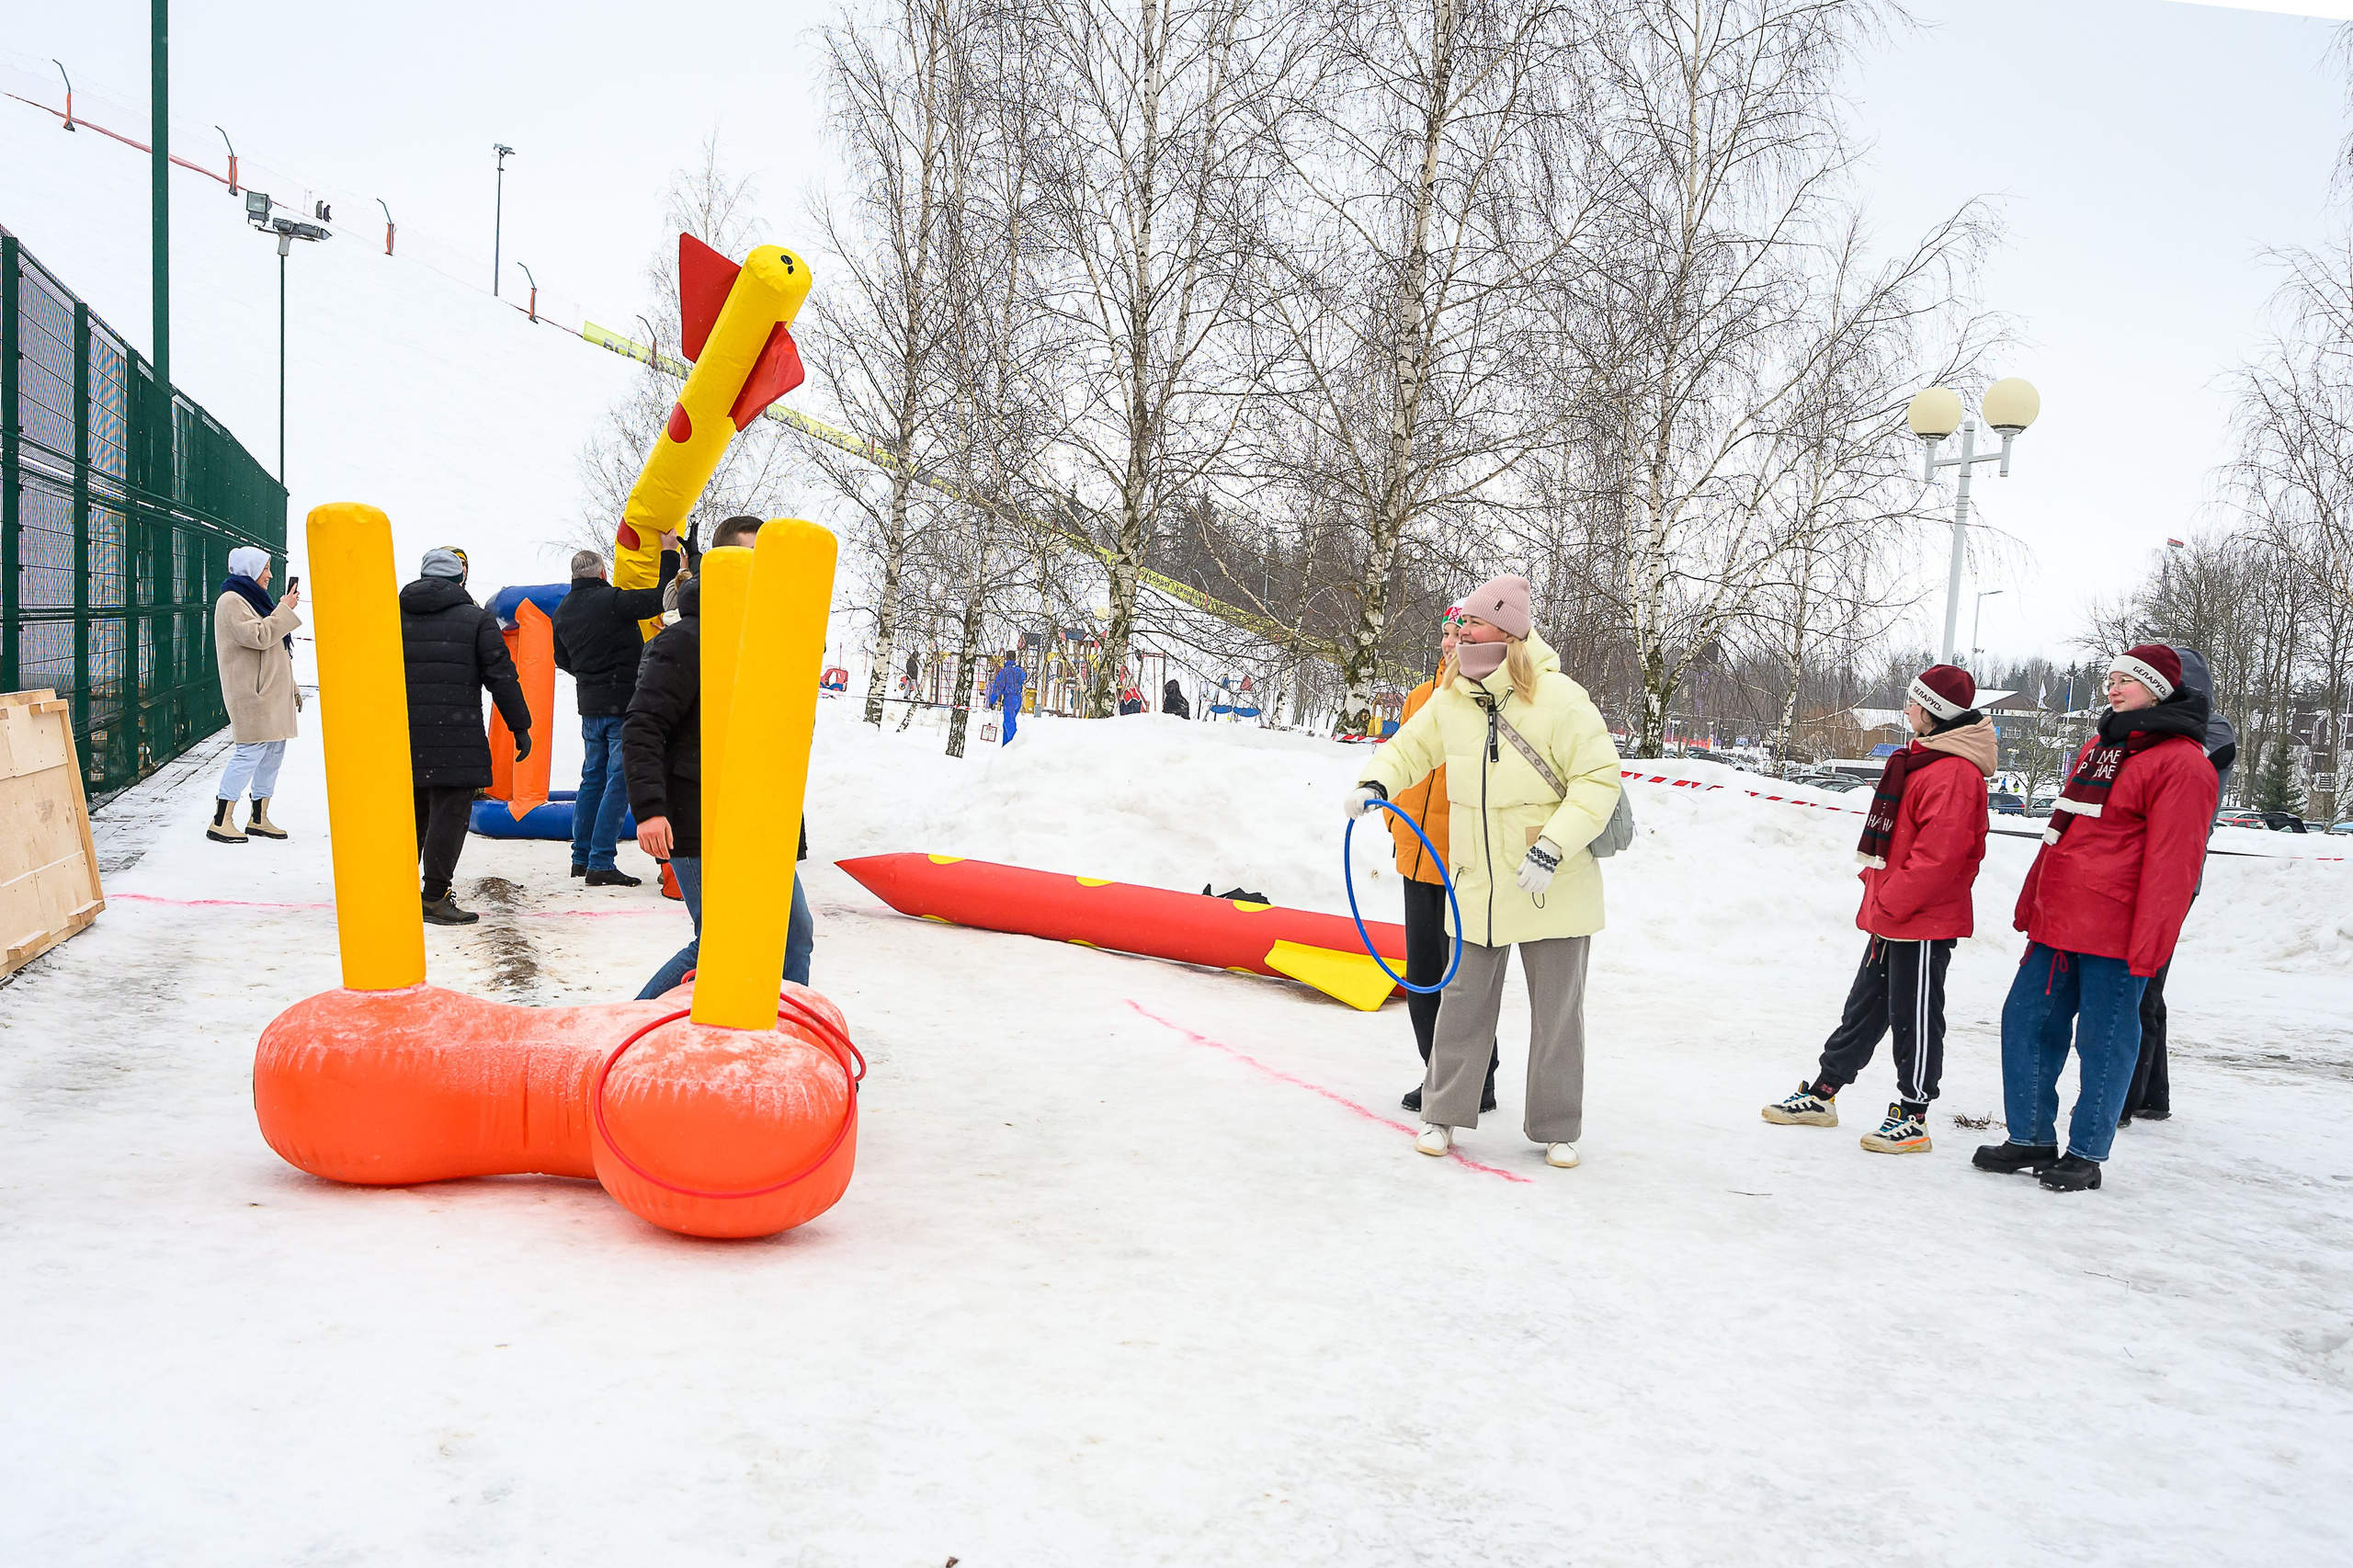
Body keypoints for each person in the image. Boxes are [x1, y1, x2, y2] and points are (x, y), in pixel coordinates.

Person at [1347, 574, 1621, 1170]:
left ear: (1508, 629)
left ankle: (1557, 1126)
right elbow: (1409, 748)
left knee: (1557, 1011)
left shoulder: (1562, 699)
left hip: (1552, 876)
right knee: (1464, 1001)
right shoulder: (1454, 698)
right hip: (1477, 880)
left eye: (1471, 621)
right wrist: (1376, 781)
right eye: (1462, 623)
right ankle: (1442, 1115)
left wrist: (1554, 845)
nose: (1460, 631)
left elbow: (1599, 782)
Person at [1976, 643, 2220, 1192]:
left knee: (2104, 1042)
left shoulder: (2183, 764)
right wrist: (2032, 898)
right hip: (2058, 922)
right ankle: (2032, 1136)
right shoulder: (2099, 746)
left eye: (2126, 681)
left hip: (2117, 930)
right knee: (2025, 1024)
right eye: (2110, 679)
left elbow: (2173, 866)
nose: (2113, 688)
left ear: (2157, 690)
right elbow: (2061, 832)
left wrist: (2150, 943)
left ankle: (2085, 1152)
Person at [1761, 665, 1994, 1153]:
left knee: (1916, 1015)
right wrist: (1879, 888)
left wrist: (1891, 899)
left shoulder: (1953, 772)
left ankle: (1914, 1115)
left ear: (1935, 711)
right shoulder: (1923, 760)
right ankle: (1825, 1093)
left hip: (1921, 920)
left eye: (1914, 702)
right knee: (1863, 1008)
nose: (1906, 709)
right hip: (1894, 916)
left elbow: (1941, 857)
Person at [626, 522, 814, 998]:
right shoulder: (686, 639)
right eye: (752, 556)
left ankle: (782, 1042)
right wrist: (649, 810)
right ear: (723, 564)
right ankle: (625, 1032)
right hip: (699, 814)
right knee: (719, 940)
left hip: (759, 818)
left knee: (793, 934)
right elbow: (643, 726)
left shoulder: (770, 636)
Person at [1387, 604, 1499, 1115]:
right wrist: (1394, 822)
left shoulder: (1480, 702)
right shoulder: (1420, 698)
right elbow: (1404, 765)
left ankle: (1478, 1077)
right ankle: (1438, 1071)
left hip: (1460, 861)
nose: (1453, 641)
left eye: (1463, 633)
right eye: (1448, 634)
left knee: (1464, 980)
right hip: (1416, 855)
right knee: (1421, 974)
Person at [2120, 645, 2236, 1127]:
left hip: (2170, 874)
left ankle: (2126, 1095)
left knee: (2140, 981)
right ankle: (2151, 1093)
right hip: (2160, 871)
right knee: (2148, 984)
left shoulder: (2209, 734)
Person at [399, 547, 531, 926]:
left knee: (411, 813)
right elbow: (501, 677)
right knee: (450, 814)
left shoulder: (390, 615)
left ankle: (393, 886)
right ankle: (435, 895)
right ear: (460, 579)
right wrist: (520, 726)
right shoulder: (476, 620)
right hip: (455, 737)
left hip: (402, 735)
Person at [552, 538, 678, 886]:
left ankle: (581, 857)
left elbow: (561, 659)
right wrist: (668, 552)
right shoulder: (612, 600)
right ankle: (601, 861)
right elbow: (659, 597)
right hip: (623, 703)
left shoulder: (562, 611)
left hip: (589, 707)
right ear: (603, 573)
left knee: (592, 779)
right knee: (620, 780)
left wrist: (590, 675)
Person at [208, 546, 303, 844]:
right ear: (250, 569)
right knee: (249, 752)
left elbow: (275, 648)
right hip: (252, 694)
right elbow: (260, 636)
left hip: (270, 693)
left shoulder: (253, 599)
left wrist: (292, 686)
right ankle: (221, 819)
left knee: (274, 751)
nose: (270, 575)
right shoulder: (231, 602)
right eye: (265, 569)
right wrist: (284, 610)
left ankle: (259, 817)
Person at [984, 653, 1027, 744]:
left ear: (1006, 658)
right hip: (1018, 699)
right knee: (1006, 723)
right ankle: (1006, 746)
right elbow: (1024, 677)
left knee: (1009, 724)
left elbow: (997, 688)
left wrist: (992, 701)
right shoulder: (1019, 671)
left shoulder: (1003, 673)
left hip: (1009, 700)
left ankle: (1014, 745)